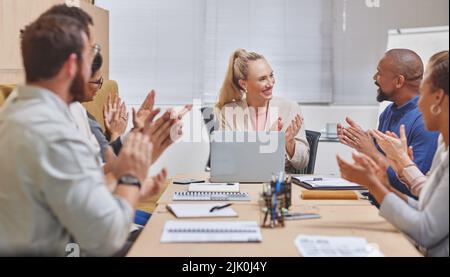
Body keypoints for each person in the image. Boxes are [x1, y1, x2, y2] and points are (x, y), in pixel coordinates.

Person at [0, 14, 161, 256]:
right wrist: (131, 179)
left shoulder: (16, 110)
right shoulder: (55, 135)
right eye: (90, 54)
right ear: (71, 66)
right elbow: (108, 235)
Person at [337, 51, 449, 257]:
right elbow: (426, 200)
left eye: (423, 91)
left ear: (438, 97)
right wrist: (394, 172)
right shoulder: (443, 145)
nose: (419, 103)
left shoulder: (424, 125)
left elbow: (426, 230)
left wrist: (376, 179)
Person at [337, 49, 439, 201]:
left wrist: (371, 150)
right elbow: (379, 168)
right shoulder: (389, 112)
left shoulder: (425, 121)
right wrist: (363, 142)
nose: (374, 78)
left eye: (379, 73)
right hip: (379, 203)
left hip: (405, 214)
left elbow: (415, 188)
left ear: (399, 81)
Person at [216, 49, 310, 171]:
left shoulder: (289, 108)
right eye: (262, 79)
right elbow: (226, 160)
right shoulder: (229, 113)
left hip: (278, 185)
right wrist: (269, 139)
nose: (270, 83)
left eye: (271, 75)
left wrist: (289, 143)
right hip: (241, 183)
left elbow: (303, 162)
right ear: (244, 84)